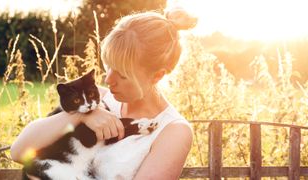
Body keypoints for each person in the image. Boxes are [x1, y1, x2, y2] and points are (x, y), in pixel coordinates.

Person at [11, 7, 197, 180]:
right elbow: (19, 151)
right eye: (108, 66)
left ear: (157, 76)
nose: (108, 79)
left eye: (122, 74)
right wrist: (78, 118)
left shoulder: (174, 131)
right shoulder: (95, 99)